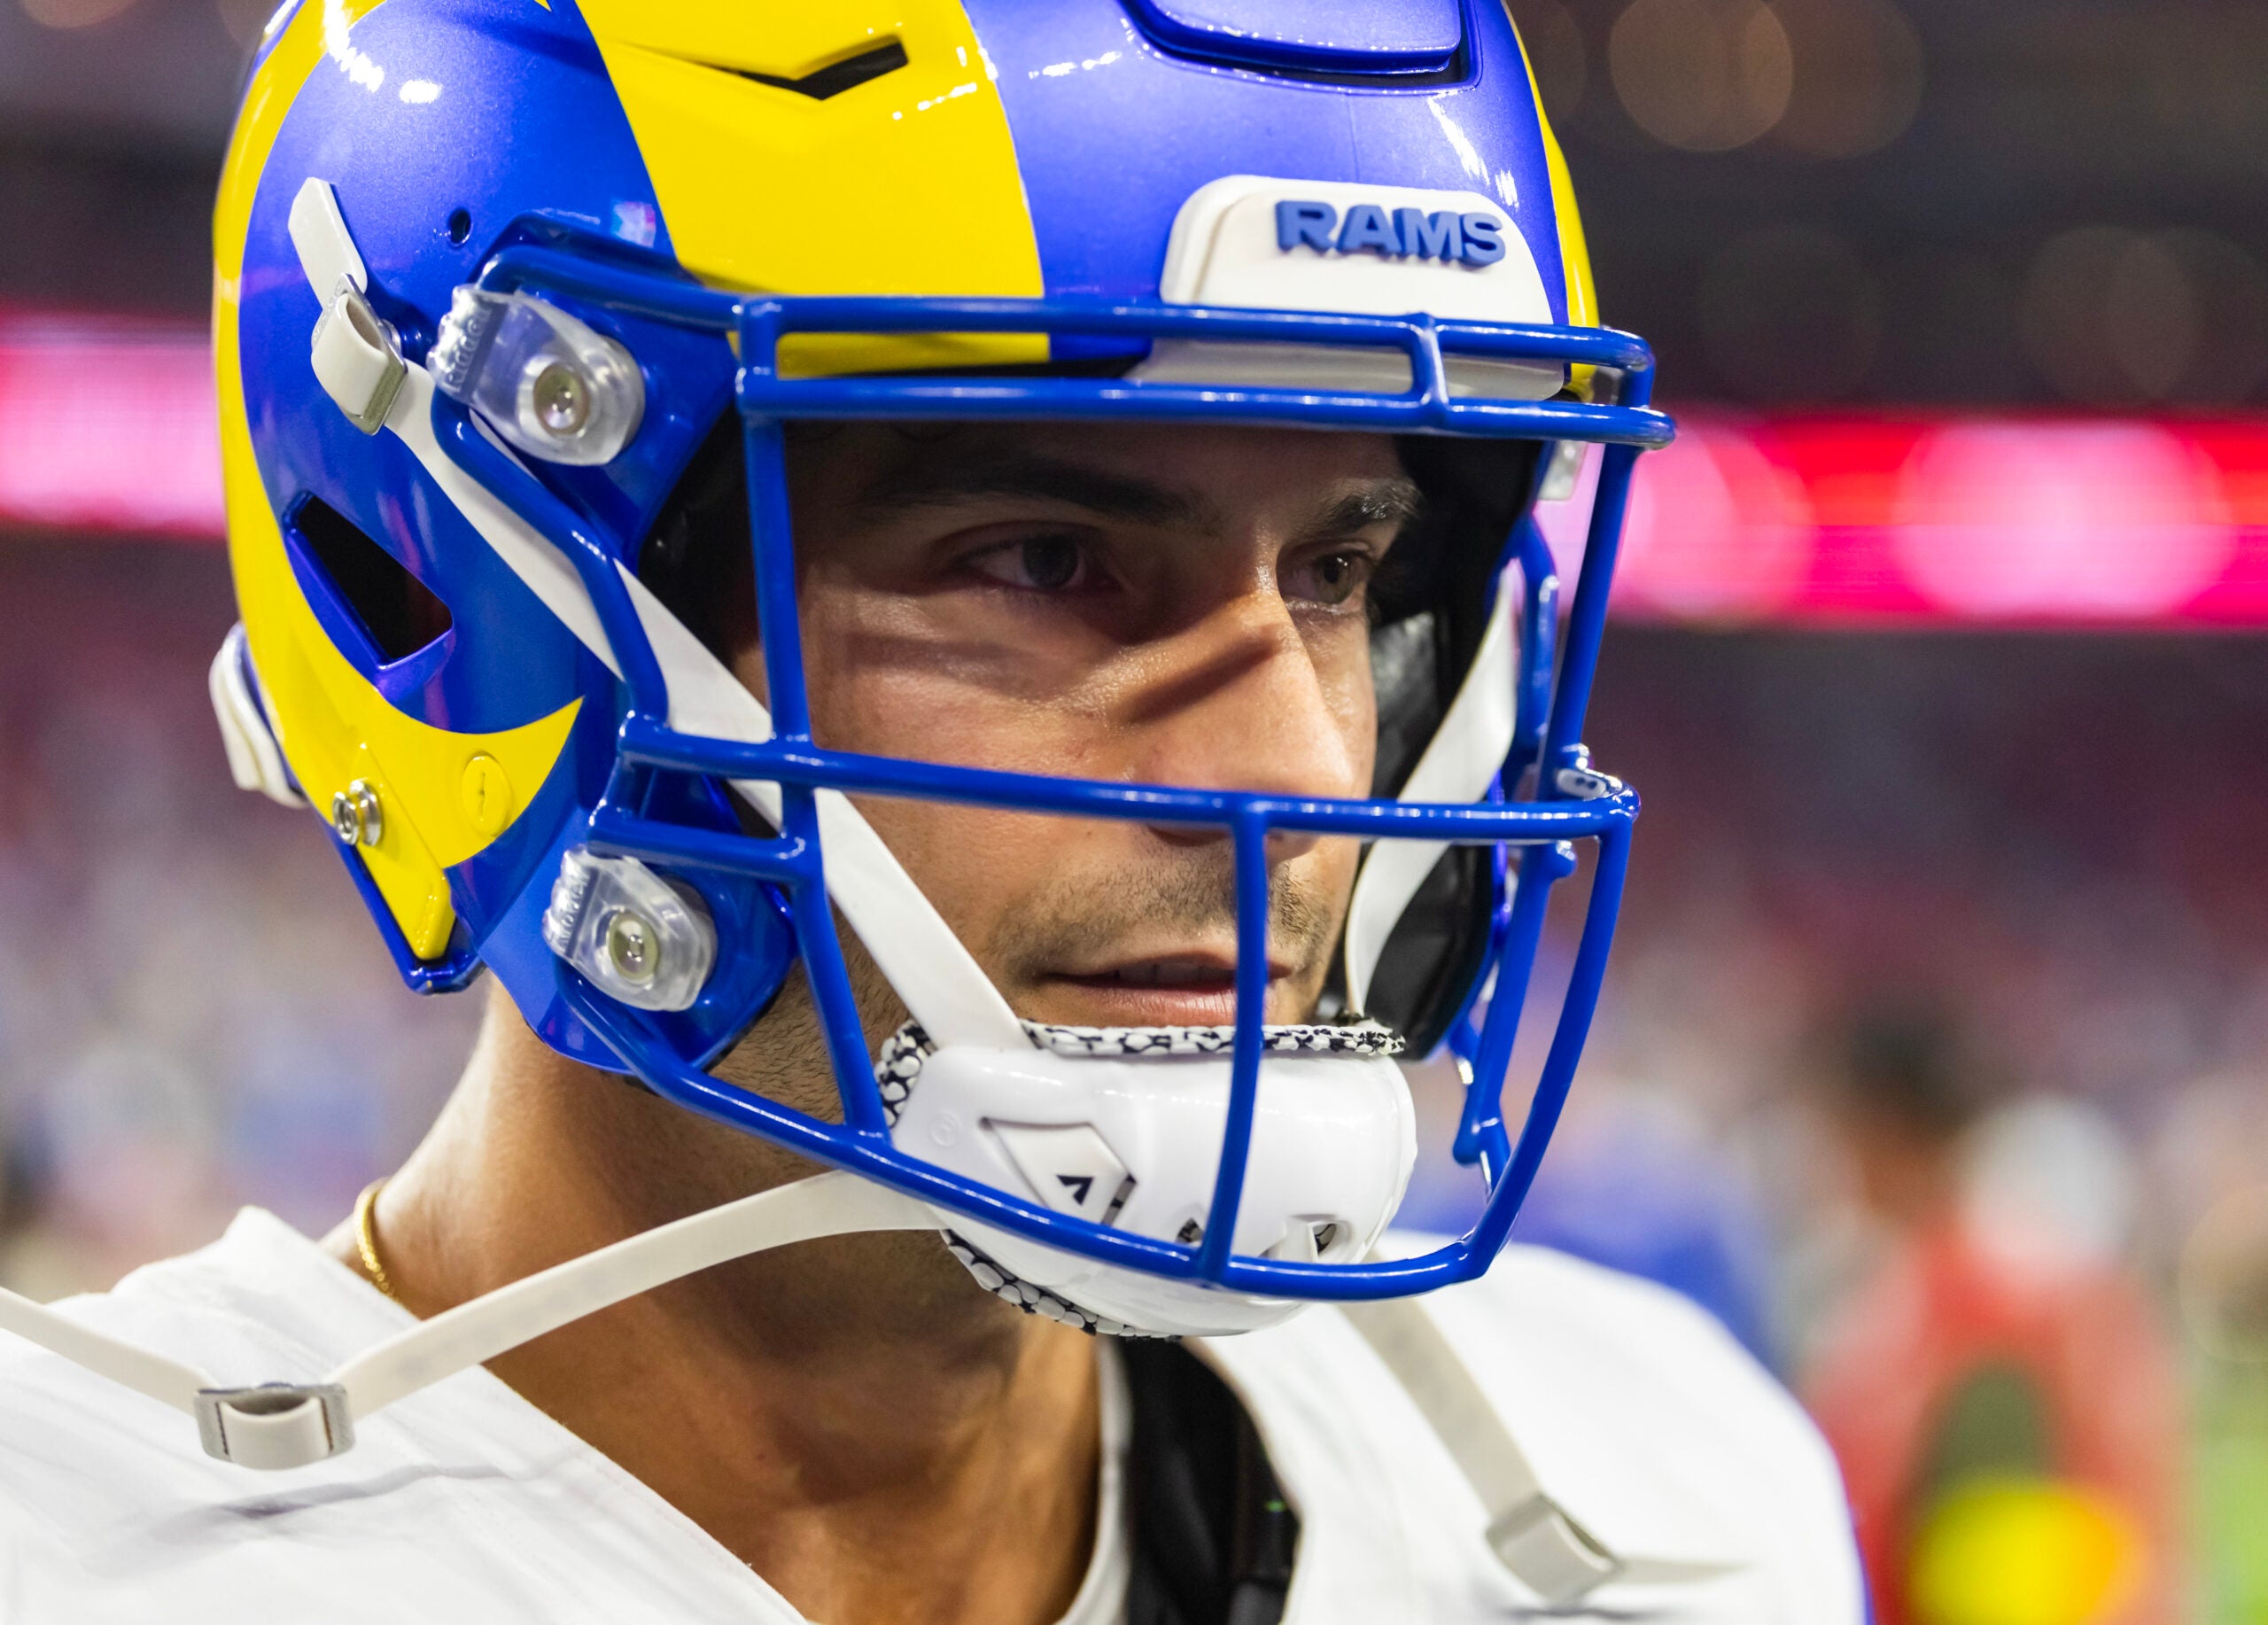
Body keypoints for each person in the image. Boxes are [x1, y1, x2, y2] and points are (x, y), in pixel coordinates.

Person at [0, 2, 1861, 1620]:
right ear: (466, 610)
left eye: (1341, 569)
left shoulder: (1654, 1510)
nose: (1300, 767)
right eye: (1047, 559)